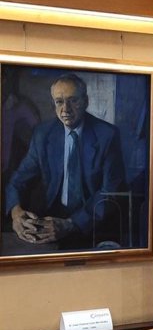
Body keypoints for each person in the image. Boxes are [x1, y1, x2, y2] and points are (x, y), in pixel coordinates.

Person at [4, 73, 125, 249]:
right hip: (50, 225)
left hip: (93, 226)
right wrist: (16, 212)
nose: (65, 109)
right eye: (59, 102)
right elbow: (17, 180)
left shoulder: (107, 135)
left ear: (85, 101)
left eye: (73, 100)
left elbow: (109, 193)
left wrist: (71, 224)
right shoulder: (43, 134)